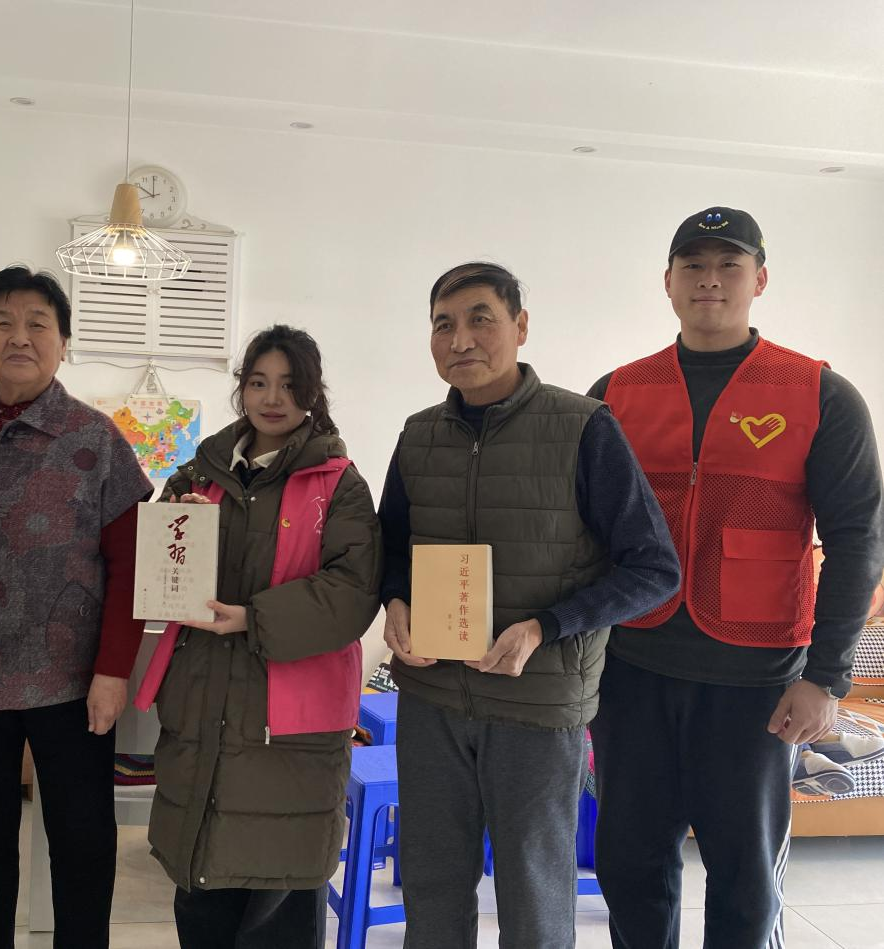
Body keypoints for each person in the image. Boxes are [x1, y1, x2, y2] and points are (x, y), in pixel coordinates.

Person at [590, 207, 884, 948]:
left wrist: (827, 676)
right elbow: (581, 534)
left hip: (757, 681)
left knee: (746, 881)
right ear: (667, 281)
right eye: (693, 265)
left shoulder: (820, 394)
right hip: (631, 671)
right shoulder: (615, 393)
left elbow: (857, 541)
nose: (710, 280)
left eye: (729, 264)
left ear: (760, 279)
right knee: (629, 865)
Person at [378, 262, 681, 949]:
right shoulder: (419, 434)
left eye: (480, 319)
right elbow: (391, 546)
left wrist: (546, 626)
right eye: (443, 324)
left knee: (534, 894)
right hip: (431, 698)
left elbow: (654, 568)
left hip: (537, 704)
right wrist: (394, 600)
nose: (460, 339)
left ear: (520, 325)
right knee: (430, 881)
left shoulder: (584, 427)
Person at [0, 266, 152, 949]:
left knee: (82, 839)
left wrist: (114, 670)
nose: (19, 337)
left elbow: (131, 566)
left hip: (70, 680)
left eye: (38, 324)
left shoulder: (97, 440)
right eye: (3, 323)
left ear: (63, 343)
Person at [134, 324, 382, 949]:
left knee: (279, 896)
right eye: (259, 382)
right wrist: (179, 525)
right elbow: (163, 565)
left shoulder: (338, 483)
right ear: (241, 388)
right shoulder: (199, 472)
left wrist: (253, 618)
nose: (273, 398)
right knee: (202, 889)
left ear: (313, 392)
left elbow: (354, 591)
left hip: (288, 725)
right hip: (203, 705)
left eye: (290, 385)